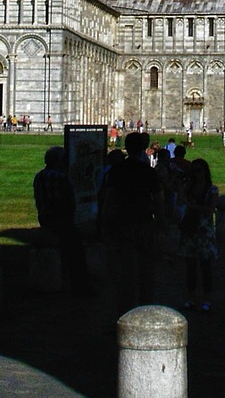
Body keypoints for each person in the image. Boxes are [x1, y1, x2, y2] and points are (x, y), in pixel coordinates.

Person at [99, 132, 161, 317]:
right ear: (142, 148)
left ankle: (123, 314)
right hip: (143, 223)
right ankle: (145, 311)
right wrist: (161, 222)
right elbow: (158, 199)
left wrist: (103, 222)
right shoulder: (148, 171)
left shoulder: (116, 170)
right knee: (145, 269)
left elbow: (108, 198)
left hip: (122, 223)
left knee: (124, 270)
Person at [33, 146, 92, 296]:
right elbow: (66, 200)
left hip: (45, 216)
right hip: (60, 218)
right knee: (76, 251)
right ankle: (81, 286)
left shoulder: (39, 176)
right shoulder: (61, 177)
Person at [179, 158, 218, 311]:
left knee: (205, 266)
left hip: (203, 230)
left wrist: (192, 206)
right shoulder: (188, 187)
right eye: (193, 171)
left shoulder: (211, 189)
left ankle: (207, 298)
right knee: (190, 265)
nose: (196, 174)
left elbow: (210, 209)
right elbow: (181, 202)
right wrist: (181, 187)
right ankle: (191, 296)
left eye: (199, 171)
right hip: (191, 228)